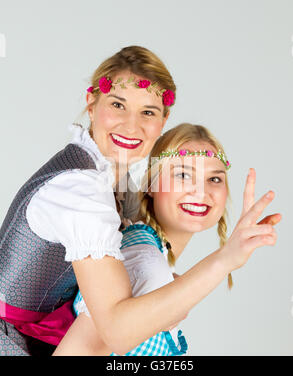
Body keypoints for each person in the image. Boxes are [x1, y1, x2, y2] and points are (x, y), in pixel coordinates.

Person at [0, 45, 175, 356]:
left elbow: (147, 264)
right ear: (91, 104)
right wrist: (225, 261)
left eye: (147, 111)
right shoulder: (80, 188)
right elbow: (119, 329)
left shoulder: (117, 181)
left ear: (163, 121)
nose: (131, 125)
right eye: (118, 105)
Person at [52, 123, 281, 356]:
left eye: (214, 179)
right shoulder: (145, 260)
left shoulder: (154, 258)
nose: (201, 192)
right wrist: (225, 259)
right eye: (183, 175)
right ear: (151, 184)